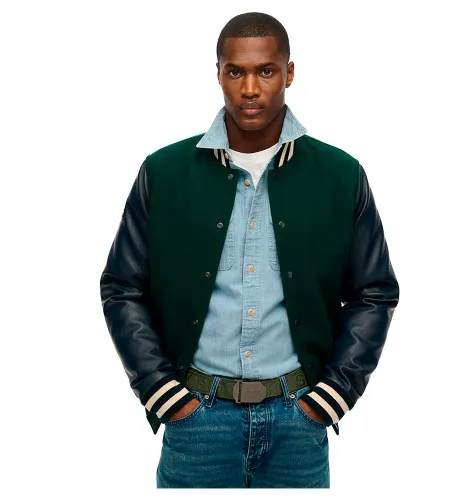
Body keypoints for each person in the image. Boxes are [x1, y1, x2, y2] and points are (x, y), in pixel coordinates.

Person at [100, 11, 399, 489]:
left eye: (266, 71)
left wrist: (332, 397)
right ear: (218, 74)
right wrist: (161, 391)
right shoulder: (164, 172)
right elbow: (122, 287)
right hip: (196, 423)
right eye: (235, 71)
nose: (251, 89)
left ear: (289, 73)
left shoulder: (340, 175)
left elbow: (374, 292)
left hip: (298, 424)